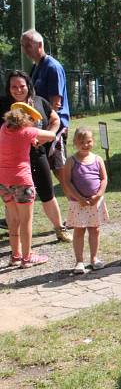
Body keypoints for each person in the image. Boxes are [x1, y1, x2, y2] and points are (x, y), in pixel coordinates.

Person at [0, 70, 71, 243]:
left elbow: (55, 120)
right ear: (8, 88)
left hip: (37, 155)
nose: (18, 90)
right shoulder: (2, 105)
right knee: (12, 203)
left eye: (22, 86)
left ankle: (60, 229)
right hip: (11, 163)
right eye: (13, 87)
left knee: (48, 193)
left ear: (28, 86)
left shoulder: (39, 102)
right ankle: (16, 242)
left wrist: (47, 134)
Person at [0, 102, 56, 267]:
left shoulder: (3, 128)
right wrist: (38, 137)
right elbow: (51, 136)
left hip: (3, 181)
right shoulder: (28, 132)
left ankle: (15, 256)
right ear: (27, 119)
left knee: (13, 219)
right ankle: (27, 258)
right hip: (22, 181)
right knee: (26, 220)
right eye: (34, 120)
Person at [20, 29, 71, 185]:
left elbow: (56, 102)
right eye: (23, 46)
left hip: (55, 127)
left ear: (40, 45)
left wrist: (49, 130)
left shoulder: (52, 67)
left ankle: (76, 198)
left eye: (28, 45)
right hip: (42, 127)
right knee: (50, 168)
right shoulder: (36, 67)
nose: (25, 50)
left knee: (59, 168)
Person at [62, 127, 109, 274]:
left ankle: (94, 258)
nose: (85, 144)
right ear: (75, 142)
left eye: (88, 141)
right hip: (78, 203)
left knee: (95, 230)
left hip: (95, 202)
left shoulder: (97, 159)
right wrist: (79, 198)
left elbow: (104, 178)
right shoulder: (71, 161)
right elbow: (67, 182)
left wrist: (99, 195)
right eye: (81, 142)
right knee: (79, 231)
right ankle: (79, 261)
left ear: (93, 141)